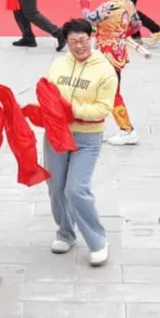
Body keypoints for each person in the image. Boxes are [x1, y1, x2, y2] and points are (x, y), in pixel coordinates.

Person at [44, 18, 118, 265]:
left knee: (75, 189)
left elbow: (104, 108)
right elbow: (49, 94)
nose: (79, 46)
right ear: (66, 42)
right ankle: (65, 232)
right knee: (56, 188)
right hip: (57, 134)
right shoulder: (58, 65)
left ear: (91, 38)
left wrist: (72, 110)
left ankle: (98, 241)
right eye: (73, 42)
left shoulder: (105, 70)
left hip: (87, 136)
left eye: (83, 40)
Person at [78, 0, 145, 146]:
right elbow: (137, 24)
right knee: (103, 90)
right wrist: (122, 34)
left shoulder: (110, 6)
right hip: (118, 53)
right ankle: (98, 128)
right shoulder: (129, 3)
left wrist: (84, 4)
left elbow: (90, 18)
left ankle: (127, 130)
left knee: (110, 92)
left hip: (106, 54)